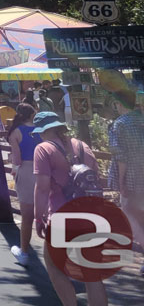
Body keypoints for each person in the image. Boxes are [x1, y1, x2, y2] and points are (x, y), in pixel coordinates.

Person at [32, 111, 107, 306]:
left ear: (44, 131)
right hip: (90, 215)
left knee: (54, 265)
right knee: (92, 273)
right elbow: (95, 178)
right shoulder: (82, 146)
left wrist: (38, 219)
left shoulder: (43, 149)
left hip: (61, 217)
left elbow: (42, 188)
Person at [109, 87, 144, 267]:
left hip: (131, 179)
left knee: (131, 216)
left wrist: (121, 182)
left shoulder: (119, 124)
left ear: (118, 104)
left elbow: (121, 158)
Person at [5, 103, 40, 266]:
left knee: (27, 216)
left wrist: (11, 160)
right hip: (44, 170)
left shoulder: (16, 132)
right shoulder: (42, 129)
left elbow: (17, 160)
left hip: (26, 171)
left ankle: (24, 252)